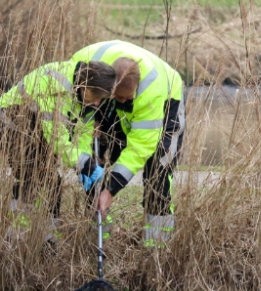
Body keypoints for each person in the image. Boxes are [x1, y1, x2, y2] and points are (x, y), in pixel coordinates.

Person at [71, 40, 184, 247]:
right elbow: (77, 115)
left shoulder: (151, 92)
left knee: (158, 173)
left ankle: (157, 247)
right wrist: (90, 125)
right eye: (118, 98)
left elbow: (140, 148)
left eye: (126, 98)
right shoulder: (86, 68)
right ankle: (98, 241)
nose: (122, 102)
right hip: (103, 91)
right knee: (93, 165)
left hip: (167, 103)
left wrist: (111, 189)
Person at [0, 59, 114, 239]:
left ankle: (49, 238)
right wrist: (83, 163)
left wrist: (86, 158)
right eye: (96, 97)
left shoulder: (82, 91)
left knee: (52, 183)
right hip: (10, 123)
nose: (97, 103)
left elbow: (82, 134)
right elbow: (57, 138)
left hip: (36, 126)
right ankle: (16, 236)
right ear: (85, 87)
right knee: (33, 178)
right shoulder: (57, 88)